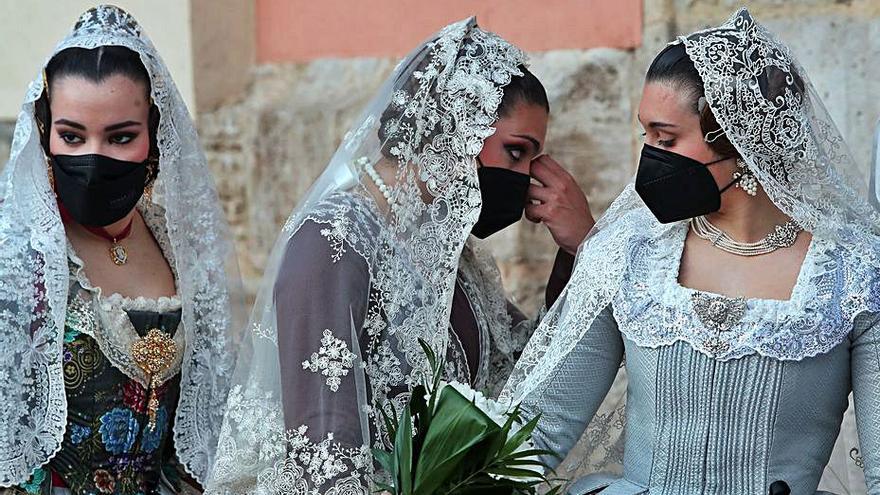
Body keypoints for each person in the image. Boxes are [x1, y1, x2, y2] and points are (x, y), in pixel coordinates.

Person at [205, 18, 591, 494]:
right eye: (515, 153)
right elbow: (325, 458)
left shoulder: (450, 254)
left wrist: (579, 250)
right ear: (453, 128)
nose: (528, 177)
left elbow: (522, 370)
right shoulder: (333, 242)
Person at [502, 8, 880, 494]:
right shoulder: (629, 255)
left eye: (666, 138)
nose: (650, 158)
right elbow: (537, 429)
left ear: (741, 141)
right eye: (648, 137)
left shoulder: (854, 275)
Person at [0, 5, 244, 493]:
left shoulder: (180, 251)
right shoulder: (20, 263)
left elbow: (197, 437)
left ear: (153, 137)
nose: (93, 158)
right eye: (72, 136)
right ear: (45, 133)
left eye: (120, 137)